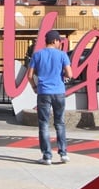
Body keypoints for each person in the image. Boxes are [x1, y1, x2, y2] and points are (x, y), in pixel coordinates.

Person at [27, 30, 73, 165]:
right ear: (55, 41)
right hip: (59, 92)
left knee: (44, 124)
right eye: (59, 41)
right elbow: (70, 74)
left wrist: (35, 87)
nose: (60, 43)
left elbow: (29, 75)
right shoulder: (62, 55)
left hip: (43, 92)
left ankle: (47, 156)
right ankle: (63, 153)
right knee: (60, 123)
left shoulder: (37, 55)